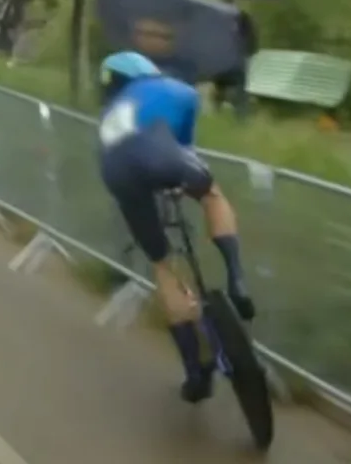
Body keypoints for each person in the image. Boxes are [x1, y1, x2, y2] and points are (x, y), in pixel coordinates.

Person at [96, 51, 256, 403]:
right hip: (161, 154)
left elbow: (123, 154)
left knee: (163, 266)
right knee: (212, 195)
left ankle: (195, 371)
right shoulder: (175, 89)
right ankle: (236, 277)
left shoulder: (109, 112)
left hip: (116, 172)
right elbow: (181, 147)